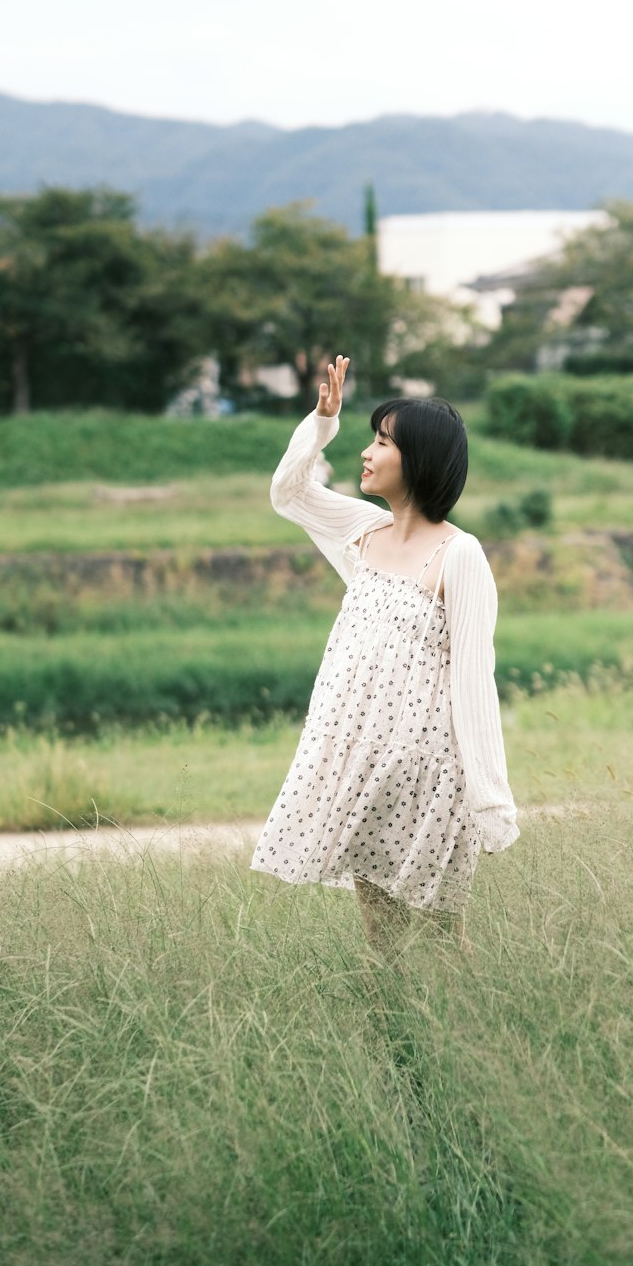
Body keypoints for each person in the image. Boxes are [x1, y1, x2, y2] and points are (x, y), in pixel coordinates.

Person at [250, 355, 519, 954]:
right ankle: (395, 1043)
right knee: (383, 942)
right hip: (367, 765)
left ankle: (474, 1037)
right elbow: (288, 493)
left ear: (418, 459)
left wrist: (490, 798)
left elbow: (475, 680)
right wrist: (323, 423)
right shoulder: (362, 531)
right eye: (370, 439)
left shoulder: (460, 554)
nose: (367, 453)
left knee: (443, 938)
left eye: (382, 442)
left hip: (431, 772)